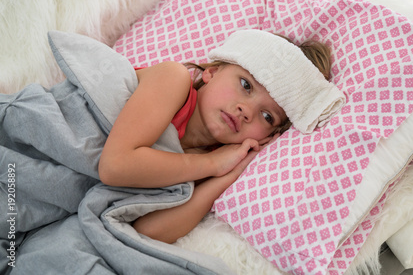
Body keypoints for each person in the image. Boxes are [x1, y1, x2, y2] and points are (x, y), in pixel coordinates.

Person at [98, 29, 345, 244]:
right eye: (246, 85)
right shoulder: (172, 80)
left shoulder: (209, 163)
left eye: (267, 116)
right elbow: (114, 166)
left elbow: (145, 230)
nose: (246, 111)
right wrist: (212, 165)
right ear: (213, 71)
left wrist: (231, 173)